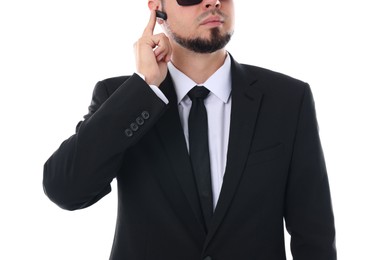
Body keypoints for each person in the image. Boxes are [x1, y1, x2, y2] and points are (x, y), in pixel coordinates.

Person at [43, 0, 337, 259]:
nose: (212, 2)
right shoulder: (122, 97)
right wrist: (144, 88)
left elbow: (314, 237)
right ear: (157, 7)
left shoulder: (287, 99)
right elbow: (65, 190)